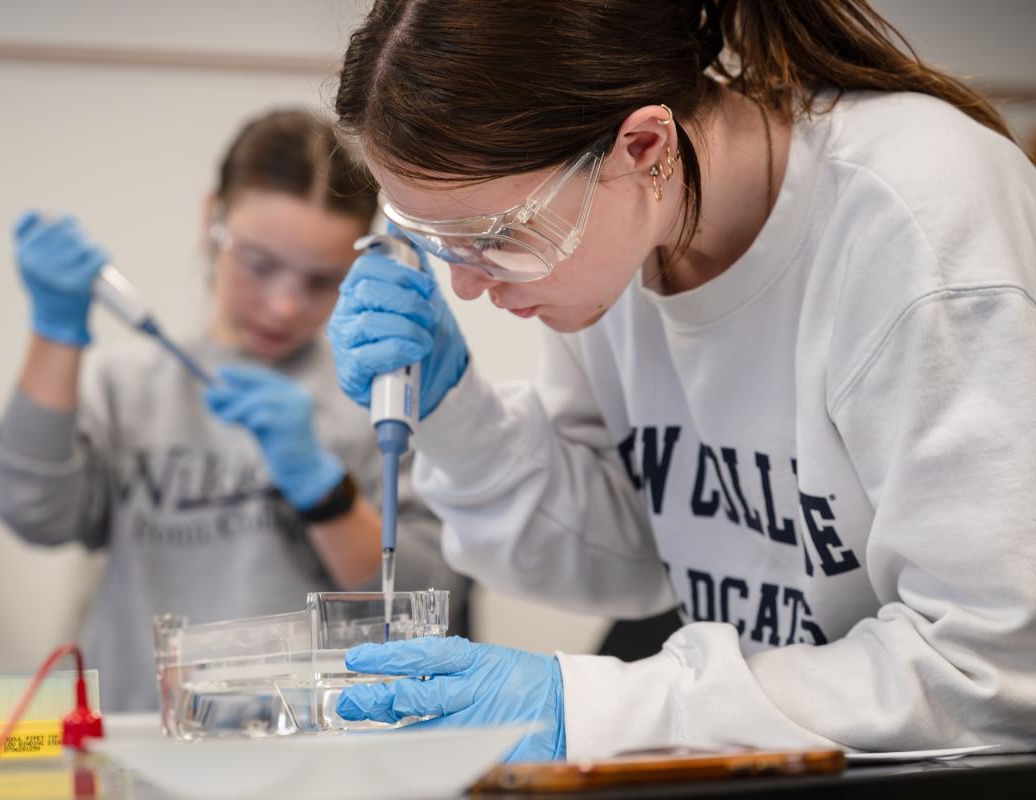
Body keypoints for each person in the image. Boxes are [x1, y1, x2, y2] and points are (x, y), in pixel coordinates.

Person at [326, 0, 1036, 762]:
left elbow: (992, 670)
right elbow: (633, 556)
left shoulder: (915, 218)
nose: (467, 287)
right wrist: (455, 415)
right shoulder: (620, 248)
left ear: (643, 144)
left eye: (493, 238)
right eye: (437, 241)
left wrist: (601, 710)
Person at [0, 109, 467, 712]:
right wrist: (56, 330)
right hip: (145, 752)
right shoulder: (127, 388)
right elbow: (32, 511)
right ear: (211, 220)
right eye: (260, 264)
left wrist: (327, 494)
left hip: (319, 760)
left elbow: (422, 599)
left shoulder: (384, 397)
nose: (285, 304)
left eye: (322, 281)